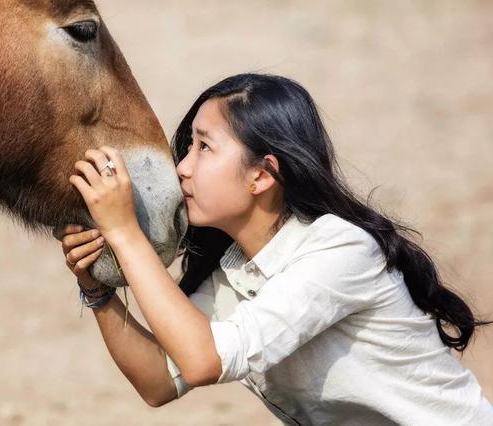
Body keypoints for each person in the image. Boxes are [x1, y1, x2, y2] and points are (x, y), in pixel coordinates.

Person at [56, 74, 493, 425]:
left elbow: (205, 361)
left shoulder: (339, 251)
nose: (183, 168)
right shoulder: (232, 273)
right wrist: (97, 292)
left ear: (261, 176)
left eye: (204, 147)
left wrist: (126, 234)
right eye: (188, 146)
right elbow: (159, 383)